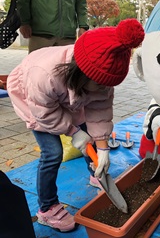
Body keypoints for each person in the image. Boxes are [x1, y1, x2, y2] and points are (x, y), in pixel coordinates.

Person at [7, 19, 145, 232]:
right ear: (81, 71)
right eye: (100, 84)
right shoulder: (44, 75)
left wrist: (103, 148)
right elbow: (44, 113)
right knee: (52, 153)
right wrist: (72, 132)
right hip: (34, 102)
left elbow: (99, 111)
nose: (103, 88)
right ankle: (47, 208)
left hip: (71, 94)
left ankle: (96, 173)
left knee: (90, 133)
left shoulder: (99, 80)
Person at [17, 0, 89, 53]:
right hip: (40, 35)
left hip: (67, 37)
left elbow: (81, 2)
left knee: (66, 67)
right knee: (37, 67)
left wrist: (83, 25)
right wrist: (24, 22)